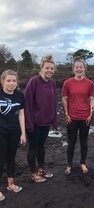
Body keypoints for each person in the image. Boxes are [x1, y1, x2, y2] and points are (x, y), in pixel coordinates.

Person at [24, 54, 58, 183]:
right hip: (34, 123)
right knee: (33, 147)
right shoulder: (34, 81)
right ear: (42, 68)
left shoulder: (53, 83)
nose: (49, 70)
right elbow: (27, 102)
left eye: (52, 68)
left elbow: (53, 103)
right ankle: (33, 173)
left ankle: (41, 169)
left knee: (41, 147)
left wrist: (53, 120)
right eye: (47, 68)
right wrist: (29, 123)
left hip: (45, 122)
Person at [62, 58, 94, 174]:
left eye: (81, 67)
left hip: (85, 117)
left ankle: (83, 163)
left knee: (84, 141)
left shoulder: (89, 83)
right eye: (77, 67)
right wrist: (66, 114)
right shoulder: (67, 83)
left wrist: (91, 114)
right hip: (72, 118)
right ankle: (69, 165)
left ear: (84, 68)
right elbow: (64, 99)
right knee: (71, 142)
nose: (79, 69)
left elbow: (92, 98)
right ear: (73, 69)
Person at [0, 70, 26, 201]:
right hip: (1, 132)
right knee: (1, 158)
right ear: (2, 81)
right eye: (8, 80)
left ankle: (10, 183)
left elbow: (21, 115)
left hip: (14, 132)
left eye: (14, 81)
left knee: (11, 158)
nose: (11, 83)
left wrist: (23, 133)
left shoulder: (20, 96)